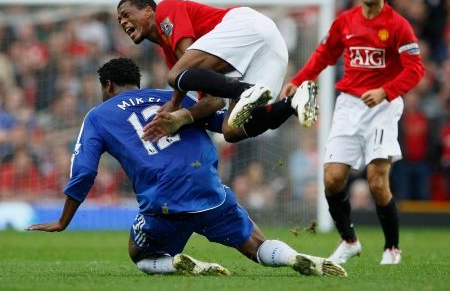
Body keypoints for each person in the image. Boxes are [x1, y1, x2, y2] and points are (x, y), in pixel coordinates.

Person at [26, 58, 346, 277]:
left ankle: (176, 263)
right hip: (205, 185)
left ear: (107, 85)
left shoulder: (98, 114)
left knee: (140, 256)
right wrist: (283, 109)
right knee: (255, 245)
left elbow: (83, 171)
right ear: (138, 83)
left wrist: (63, 220)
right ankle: (293, 257)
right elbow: (230, 125)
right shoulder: (173, 99)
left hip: (163, 197)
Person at [280, 0, 425, 265]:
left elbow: (415, 69)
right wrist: (298, 80)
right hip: (349, 105)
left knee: (376, 181)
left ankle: (392, 248)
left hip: (383, 107)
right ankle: (349, 241)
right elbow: (323, 55)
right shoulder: (344, 22)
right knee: (332, 179)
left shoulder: (398, 25)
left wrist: (385, 91)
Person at [116, 0, 318, 140]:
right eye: (119, 20)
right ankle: (294, 102)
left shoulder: (166, 9)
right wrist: (181, 118)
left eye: (126, 14)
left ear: (148, 11)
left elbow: (187, 64)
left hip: (247, 25)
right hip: (271, 49)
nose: (123, 22)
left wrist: (174, 103)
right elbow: (214, 102)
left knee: (175, 75)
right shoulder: (175, 58)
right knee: (232, 129)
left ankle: (245, 91)